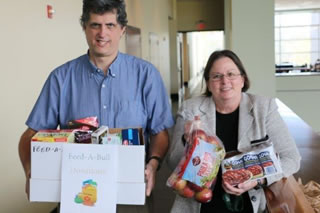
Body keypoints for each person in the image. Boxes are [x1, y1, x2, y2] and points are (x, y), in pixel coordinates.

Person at [18, 0, 174, 212]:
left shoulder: (146, 75)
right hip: (77, 196)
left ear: (122, 30)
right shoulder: (61, 79)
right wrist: (31, 171)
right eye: (95, 25)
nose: (102, 33)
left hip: (130, 195)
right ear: (84, 27)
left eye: (110, 25)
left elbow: (160, 132)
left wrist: (153, 164)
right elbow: (30, 135)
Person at [166, 50, 301, 213]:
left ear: (243, 80)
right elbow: (173, 162)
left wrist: (257, 180)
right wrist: (186, 142)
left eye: (231, 74)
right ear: (208, 84)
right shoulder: (191, 109)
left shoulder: (264, 108)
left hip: (250, 201)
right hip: (199, 202)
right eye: (216, 76)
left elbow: (291, 158)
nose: (225, 81)